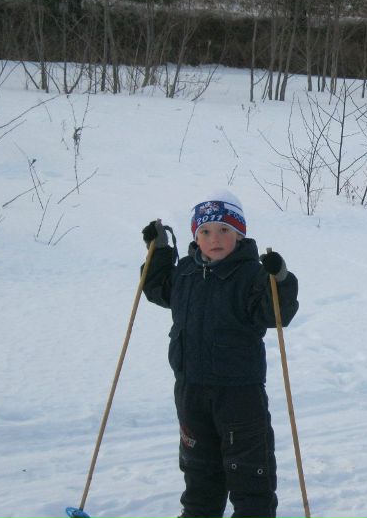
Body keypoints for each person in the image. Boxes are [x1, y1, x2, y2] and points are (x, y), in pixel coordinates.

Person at [141, 190, 299, 518]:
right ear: (195, 236)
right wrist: (159, 251)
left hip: (239, 394)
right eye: (205, 231)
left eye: (225, 230)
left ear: (240, 234)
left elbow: (275, 314)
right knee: (200, 475)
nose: (215, 239)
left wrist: (279, 279)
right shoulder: (184, 273)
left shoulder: (253, 275)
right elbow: (156, 288)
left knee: (249, 475)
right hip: (191, 391)